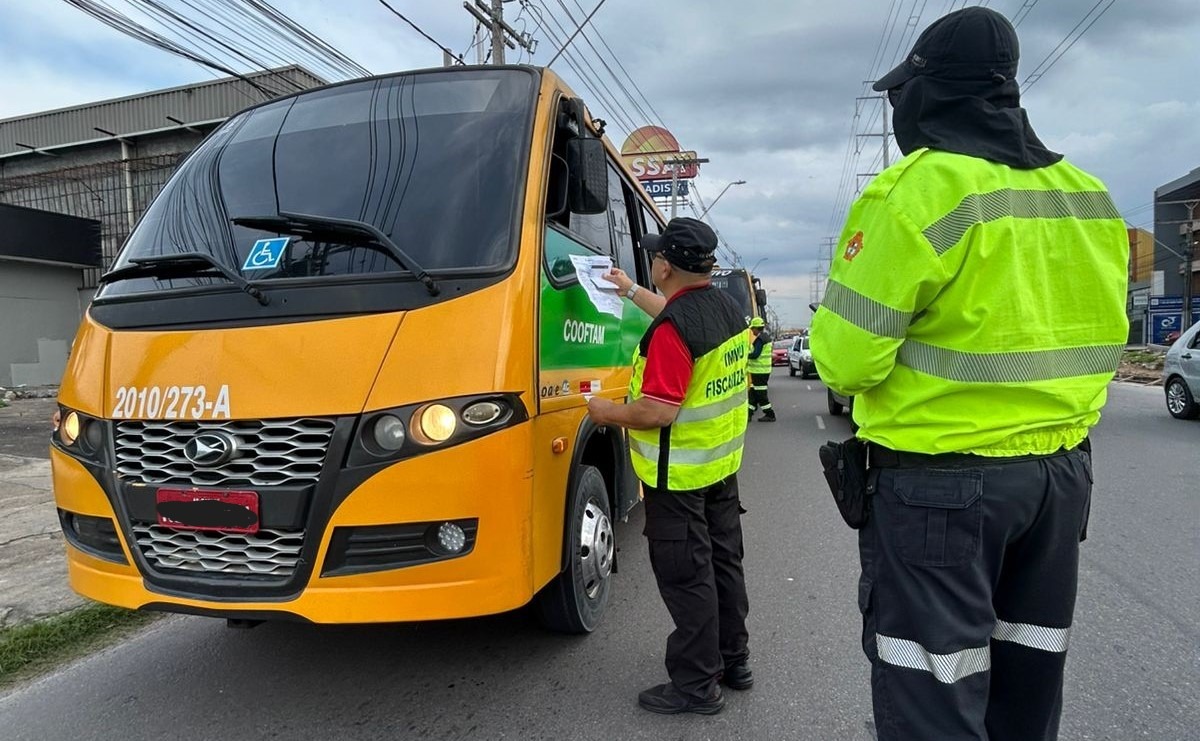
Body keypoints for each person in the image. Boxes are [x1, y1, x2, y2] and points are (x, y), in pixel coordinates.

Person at [809, 7, 1128, 741]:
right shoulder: (1089, 197)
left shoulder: (914, 192)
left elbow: (846, 363)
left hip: (941, 489)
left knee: (934, 697)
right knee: (1027, 683)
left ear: (930, 92)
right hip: (1058, 484)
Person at [588, 217, 752, 716]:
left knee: (688, 579)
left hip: (677, 477)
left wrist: (606, 413)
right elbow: (677, 316)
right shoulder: (725, 308)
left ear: (665, 267)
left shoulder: (672, 331)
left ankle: (697, 685)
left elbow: (658, 411)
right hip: (719, 469)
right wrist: (629, 289)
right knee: (723, 566)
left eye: (656, 255)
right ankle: (734, 662)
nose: (653, 260)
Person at [746, 317, 776, 422]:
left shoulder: (760, 340)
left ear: (756, 328)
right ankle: (749, 414)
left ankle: (770, 414)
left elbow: (755, 355)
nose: (751, 331)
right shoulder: (765, 337)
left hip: (759, 371)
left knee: (761, 395)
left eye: (752, 329)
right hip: (761, 371)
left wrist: (745, 356)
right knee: (752, 394)